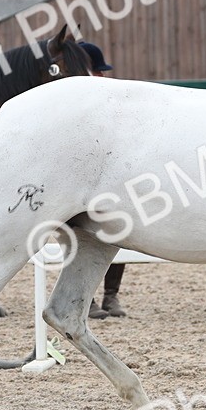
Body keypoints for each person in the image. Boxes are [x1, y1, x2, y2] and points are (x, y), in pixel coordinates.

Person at [79, 40, 128, 319]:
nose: (102, 77)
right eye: (97, 71)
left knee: (119, 232)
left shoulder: (111, 98)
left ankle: (111, 295)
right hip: (84, 179)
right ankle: (90, 299)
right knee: (80, 240)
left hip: (111, 175)